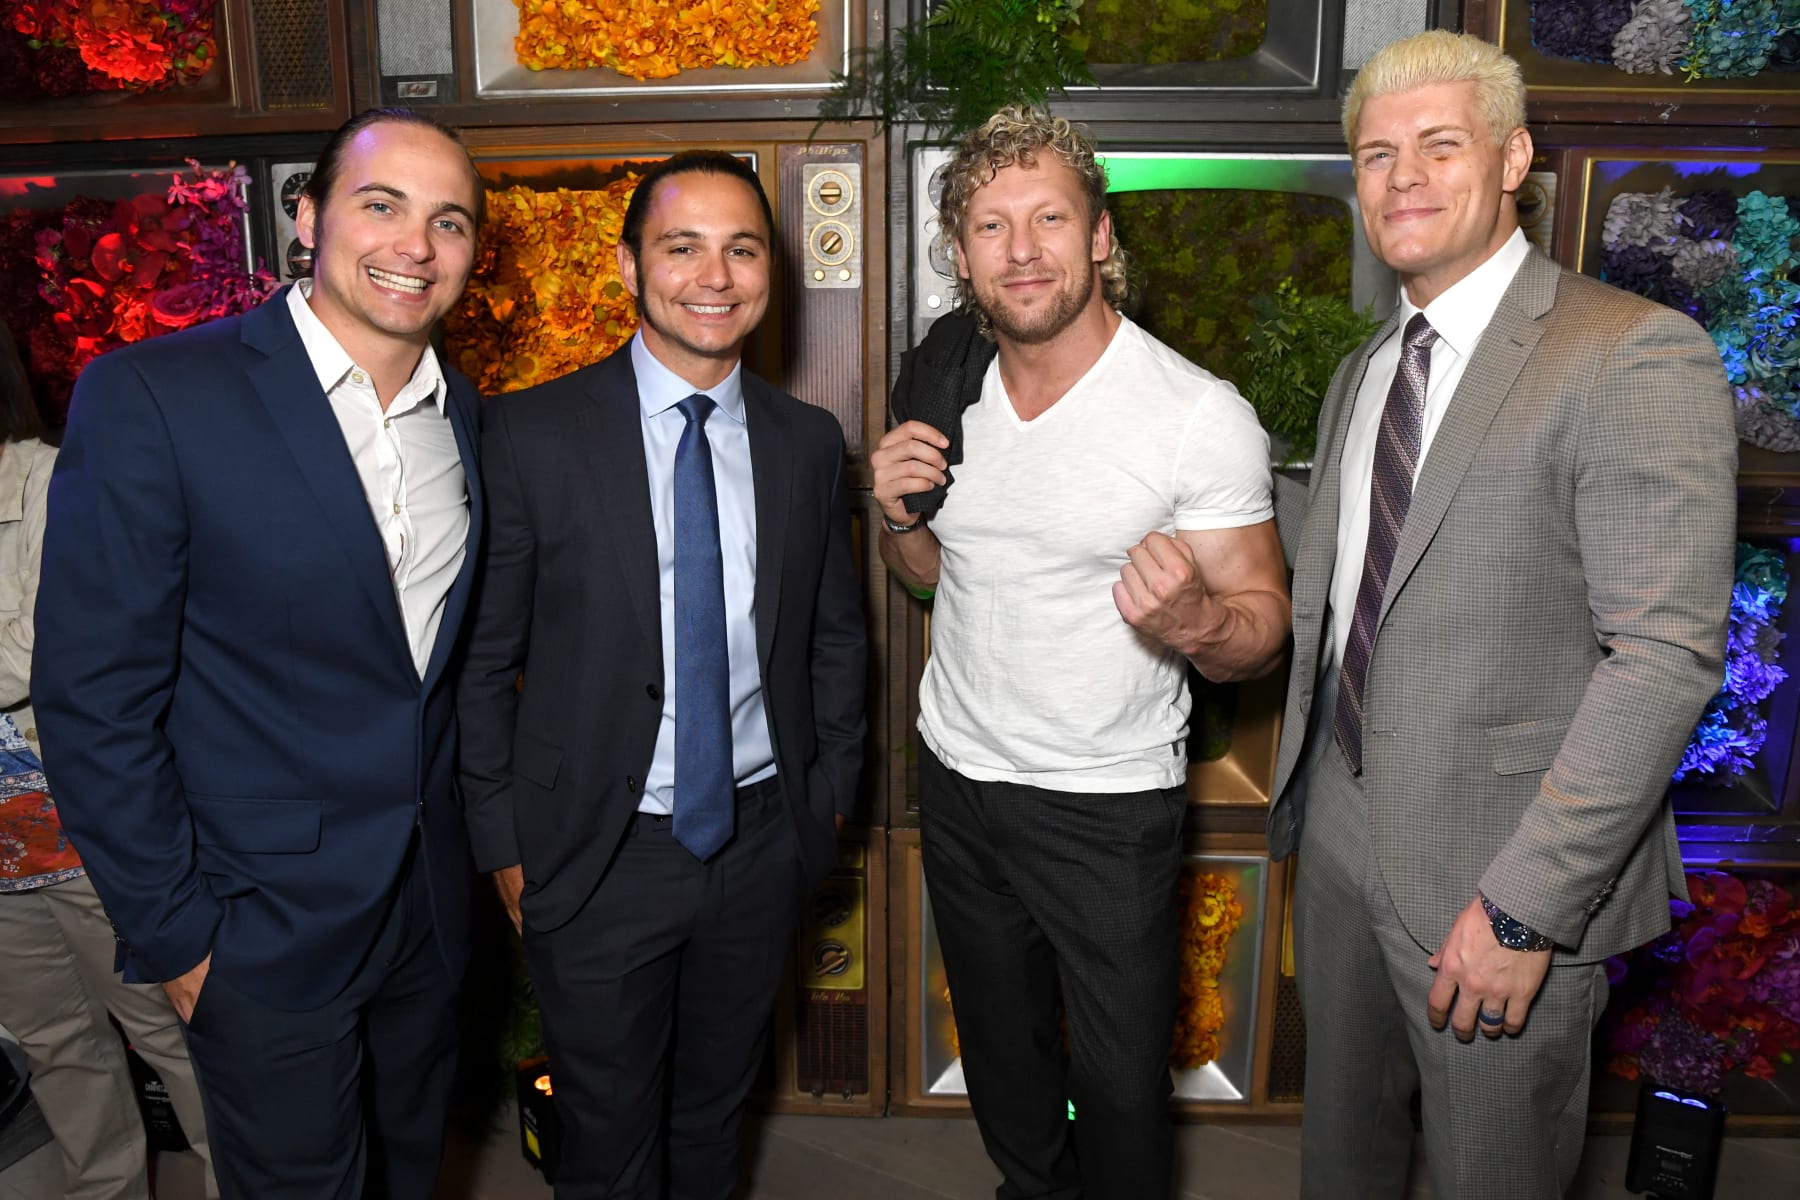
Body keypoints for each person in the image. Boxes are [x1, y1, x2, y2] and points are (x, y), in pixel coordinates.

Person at [1266, 30, 1736, 1199]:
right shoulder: (1366, 369)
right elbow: (1365, 576)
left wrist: (1526, 911)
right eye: (1376, 155)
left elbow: (1663, 660)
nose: (1403, 178)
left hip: (1501, 865)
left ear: (1515, 155)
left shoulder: (1628, 353)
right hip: (1337, 831)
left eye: (1439, 144)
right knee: (1343, 1162)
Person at [31, 107, 488, 1200]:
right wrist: (181, 939)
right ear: (307, 217)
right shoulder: (156, 395)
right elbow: (92, 698)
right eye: (381, 205)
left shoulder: (463, 415)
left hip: (425, 917)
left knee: (409, 1176)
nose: (414, 245)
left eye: (450, 221)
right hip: (256, 930)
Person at [872, 107, 1290, 1200]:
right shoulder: (943, 375)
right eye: (991, 225)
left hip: (1104, 805)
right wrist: (901, 519)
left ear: (1098, 236)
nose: (1022, 249)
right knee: (1007, 1072)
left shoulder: (1196, 416)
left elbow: (1262, 626)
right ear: (959, 256)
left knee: (1116, 1095)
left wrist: (1197, 623)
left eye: (1049, 217)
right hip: (961, 779)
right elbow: (929, 578)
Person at [456, 150, 866, 1200]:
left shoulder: (809, 444)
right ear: (632, 269)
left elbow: (833, 641)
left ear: (770, 272)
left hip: (760, 839)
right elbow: (481, 659)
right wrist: (504, 841)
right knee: (606, 1131)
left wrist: (822, 812)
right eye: (682, 247)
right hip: (594, 852)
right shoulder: (529, 434)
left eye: (740, 249)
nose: (714, 276)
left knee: (715, 1113)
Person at [0, 322, 216, 1199]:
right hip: (3, 866)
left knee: (176, 1038)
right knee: (56, 1051)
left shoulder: (45, 477)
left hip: (86, 833)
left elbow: (53, 642)